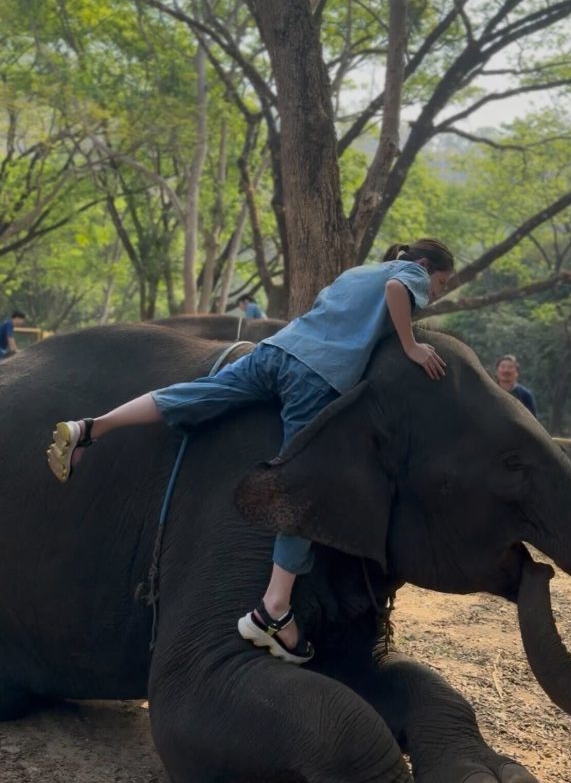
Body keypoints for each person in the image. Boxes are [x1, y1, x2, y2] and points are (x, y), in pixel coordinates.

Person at [47, 238, 454, 665]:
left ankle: (93, 427)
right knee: (299, 487)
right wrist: (411, 345)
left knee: (196, 394)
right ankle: (274, 608)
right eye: (440, 282)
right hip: (316, 377)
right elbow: (396, 292)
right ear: (425, 265)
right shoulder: (407, 274)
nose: (436, 292)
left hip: (276, 352)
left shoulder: (356, 273)